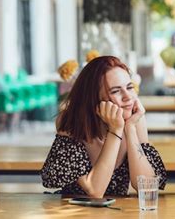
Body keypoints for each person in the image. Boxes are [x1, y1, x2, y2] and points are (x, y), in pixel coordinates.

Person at [41, 56, 167, 197]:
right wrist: (115, 130)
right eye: (115, 91)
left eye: (129, 87)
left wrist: (130, 128)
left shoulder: (135, 119)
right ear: (94, 98)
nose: (128, 97)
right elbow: (95, 191)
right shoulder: (70, 120)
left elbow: (147, 188)